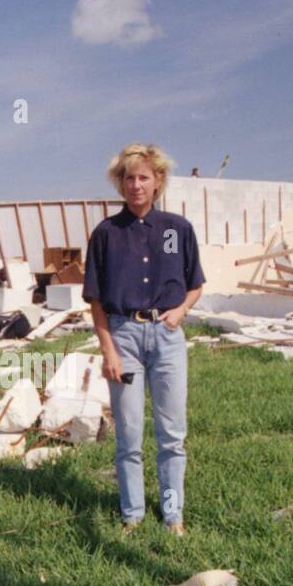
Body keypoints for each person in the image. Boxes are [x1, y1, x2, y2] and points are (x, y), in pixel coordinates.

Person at [82, 143, 205, 536]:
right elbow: (96, 301)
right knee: (130, 434)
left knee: (172, 434)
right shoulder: (106, 235)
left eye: (143, 177)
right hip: (125, 340)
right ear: (120, 183)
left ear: (158, 182)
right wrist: (109, 351)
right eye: (129, 177)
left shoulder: (176, 230)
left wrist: (181, 311)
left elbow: (195, 284)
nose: (136, 185)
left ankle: (173, 515)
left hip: (167, 339)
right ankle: (132, 515)